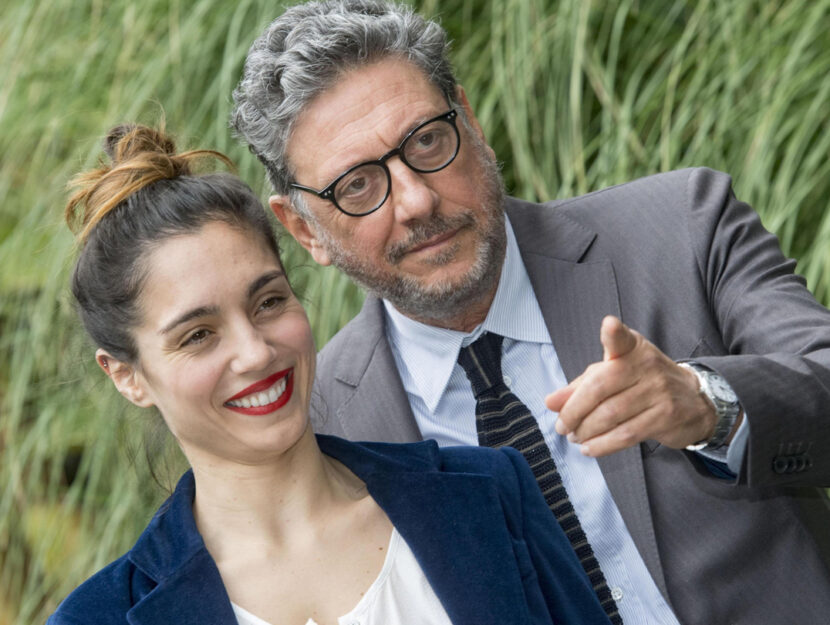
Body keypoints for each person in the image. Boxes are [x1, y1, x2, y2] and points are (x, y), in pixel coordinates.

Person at [230, 1, 830, 623]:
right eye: (358, 185)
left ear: (471, 123)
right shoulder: (325, 425)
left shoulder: (684, 228)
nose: (414, 200)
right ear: (303, 231)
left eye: (427, 140)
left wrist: (707, 404)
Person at [48, 124, 611, 625]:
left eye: (268, 302)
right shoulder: (97, 618)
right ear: (127, 377)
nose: (254, 352)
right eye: (199, 335)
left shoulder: (489, 492)